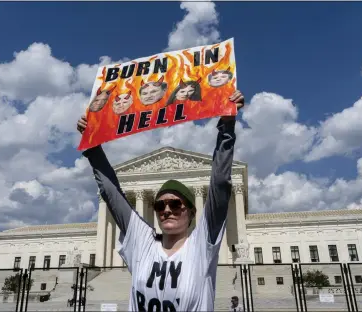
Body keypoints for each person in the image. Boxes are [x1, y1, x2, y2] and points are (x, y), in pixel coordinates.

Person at [76, 89, 244, 311]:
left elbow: (220, 184)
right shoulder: (142, 243)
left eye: (176, 204)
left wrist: (226, 125)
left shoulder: (201, 246)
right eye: (159, 205)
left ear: (192, 212)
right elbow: (111, 192)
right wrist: (92, 142)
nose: (167, 210)